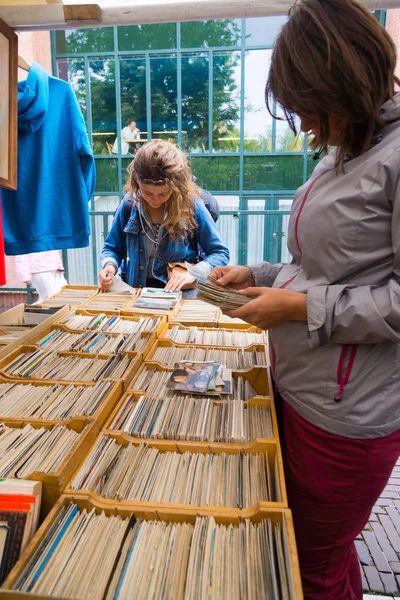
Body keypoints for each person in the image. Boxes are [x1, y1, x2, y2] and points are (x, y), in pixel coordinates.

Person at [211, 1, 400, 598]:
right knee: (318, 552)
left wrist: (296, 308)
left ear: (343, 82)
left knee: (308, 569)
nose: (307, 127)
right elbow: (316, 266)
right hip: (305, 391)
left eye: (309, 109)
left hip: (348, 417)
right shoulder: (345, 149)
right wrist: (259, 272)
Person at [99, 140, 229, 293]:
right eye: (147, 193)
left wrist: (193, 273)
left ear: (176, 186)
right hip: (136, 296)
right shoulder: (129, 204)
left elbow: (220, 253)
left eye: (163, 193)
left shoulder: (191, 205)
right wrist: (109, 266)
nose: (155, 200)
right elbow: (111, 248)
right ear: (136, 181)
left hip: (181, 297)